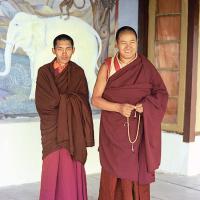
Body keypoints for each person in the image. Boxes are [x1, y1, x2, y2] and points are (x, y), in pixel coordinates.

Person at [92, 26, 168, 200]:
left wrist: (147, 106)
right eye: (123, 43)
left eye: (132, 42)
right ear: (117, 44)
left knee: (135, 172)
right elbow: (95, 99)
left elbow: (161, 94)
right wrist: (118, 107)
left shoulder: (145, 66)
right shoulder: (108, 66)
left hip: (139, 131)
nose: (128, 47)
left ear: (137, 43)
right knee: (113, 173)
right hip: (113, 131)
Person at [35, 34, 94, 200]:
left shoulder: (78, 72)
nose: (64, 53)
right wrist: (66, 100)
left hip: (72, 129)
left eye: (68, 48)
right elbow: (43, 103)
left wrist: (63, 101)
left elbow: (83, 101)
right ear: (53, 50)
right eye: (60, 49)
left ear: (73, 50)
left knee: (70, 166)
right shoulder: (44, 72)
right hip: (52, 128)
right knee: (52, 165)